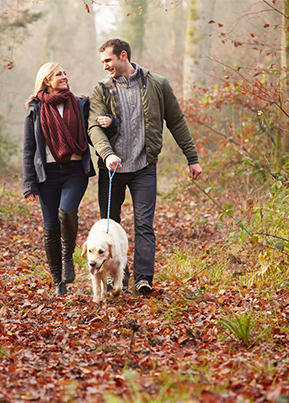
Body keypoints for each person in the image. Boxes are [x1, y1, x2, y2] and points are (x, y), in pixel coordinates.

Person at [88, 38, 203, 296]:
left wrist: (192, 157)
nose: (105, 66)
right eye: (103, 62)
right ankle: (114, 279)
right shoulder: (101, 90)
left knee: (144, 225)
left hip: (144, 167)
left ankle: (143, 279)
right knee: (109, 226)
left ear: (123, 56)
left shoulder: (157, 84)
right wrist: (106, 154)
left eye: (108, 60)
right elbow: (93, 128)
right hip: (112, 169)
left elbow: (176, 121)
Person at [23, 62, 114, 296]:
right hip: (47, 176)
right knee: (50, 227)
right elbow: (29, 148)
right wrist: (29, 183)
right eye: (58, 74)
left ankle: (68, 257)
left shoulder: (80, 104)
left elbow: (96, 133)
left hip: (74, 170)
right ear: (46, 81)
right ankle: (58, 282)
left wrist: (109, 126)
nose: (64, 77)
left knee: (67, 211)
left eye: (65, 73)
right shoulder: (35, 109)